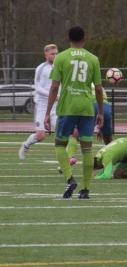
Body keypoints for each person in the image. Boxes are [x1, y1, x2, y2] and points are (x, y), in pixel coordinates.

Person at [44, 26, 104, 199]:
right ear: (84, 39)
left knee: (59, 145)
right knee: (87, 149)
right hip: (86, 108)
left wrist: (47, 113)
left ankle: (70, 179)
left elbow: (55, 86)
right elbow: (99, 90)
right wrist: (100, 112)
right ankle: (85, 190)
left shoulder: (61, 57)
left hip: (67, 107)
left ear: (68, 39)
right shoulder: (93, 59)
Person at [19, 44, 59, 160]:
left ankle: (64, 160)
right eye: (52, 54)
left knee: (62, 133)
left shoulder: (60, 67)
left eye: (57, 53)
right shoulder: (41, 68)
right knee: (41, 136)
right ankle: (26, 145)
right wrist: (52, 94)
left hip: (55, 106)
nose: (55, 56)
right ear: (46, 54)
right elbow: (38, 88)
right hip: (42, 106)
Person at [65, 86, 112, 167]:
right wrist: (101, 128)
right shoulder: (99, 85)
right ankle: (112, 160)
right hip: (105, 107)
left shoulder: (81, 83)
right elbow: (100, 94)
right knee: (108, 140)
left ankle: (70, 157)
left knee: (75, 134)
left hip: (88, 105)